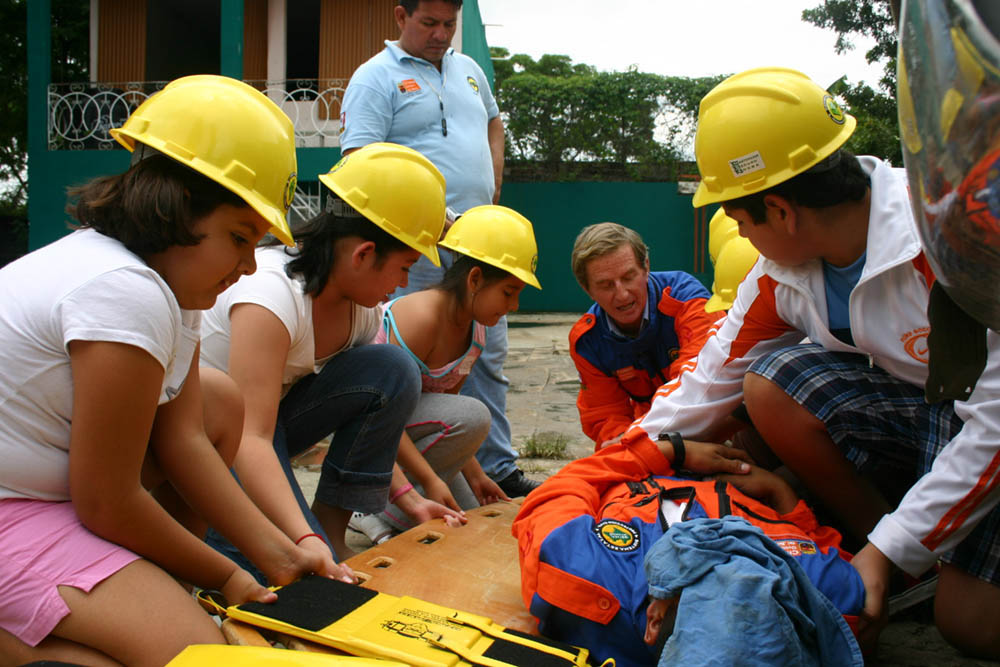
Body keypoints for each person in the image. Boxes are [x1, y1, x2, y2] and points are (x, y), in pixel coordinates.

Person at [621, 66, 1000, 657]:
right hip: (929, 411)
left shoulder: (953, 239)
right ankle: (899, 562)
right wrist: (623, 458)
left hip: (988, 421)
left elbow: (996, 425)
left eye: (741, 221)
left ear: (781, 210)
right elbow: (708, 382)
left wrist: (889, 547)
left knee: (971, 625)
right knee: (770, 384)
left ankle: (891, 555)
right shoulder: (785, 272)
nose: (743, 238)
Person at [0, 75, 326, 666]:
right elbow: (106, 499)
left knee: (217, 400)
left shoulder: (167, 287)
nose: (249, 267)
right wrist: (229, 577)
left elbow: (185, 438)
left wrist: (280, 554)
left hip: (46, 494)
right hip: (18, 509)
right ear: (174, 207)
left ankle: (141, 595)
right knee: (199, 660)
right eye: (238, 237)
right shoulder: (122, 289)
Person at [199, 142, 466, 574]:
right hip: (208, 441)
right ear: (364, 254)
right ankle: (306, 537)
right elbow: (250, 438)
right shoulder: (270, 296)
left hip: (266, 429)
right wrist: (302, 541)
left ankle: (330, 532)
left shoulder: (361, 309)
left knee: (392, 370)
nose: (401, 284)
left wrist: (411, 500)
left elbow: (376, 411)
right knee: (276, 569)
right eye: (404, 267)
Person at [339, 0, 536, 498]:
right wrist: (429, 220)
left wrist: (493, 182)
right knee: (411, 366)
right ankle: (381, 481)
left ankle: (497, 467)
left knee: (485, 356)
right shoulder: (374, 78)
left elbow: (494, 122)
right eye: (429, 23)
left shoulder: (468, 70)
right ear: (400, 16)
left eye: (449, 24)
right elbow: (360, 162)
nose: (441, 34)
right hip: (420, 246)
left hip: (482, 243)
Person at [512, 438, 864, 667]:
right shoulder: (827, 597)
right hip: (751, 477)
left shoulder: (577, 573)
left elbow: (567, 484)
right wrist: (780, 492)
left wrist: (672, 451)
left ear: (654, 621)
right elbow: (823, 547)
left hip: (640, 464)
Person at [354, 206, 542, 541]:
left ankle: (389, 505)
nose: (513, 305)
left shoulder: (475, 331)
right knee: (474, 415)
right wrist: (430, 482)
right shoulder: (421, 319)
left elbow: (448, 419)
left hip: (402, 435)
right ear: (474, 279)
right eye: (509, 292)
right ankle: (367, 504)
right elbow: (385, 418)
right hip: (368, 433)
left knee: (472, 522)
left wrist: (477, 476)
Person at [568, 223, 724, 450]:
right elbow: (604, 415)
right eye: (606, 285)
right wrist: (624, 441)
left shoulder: (687, 300)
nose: (622, 294)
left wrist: (644, 441)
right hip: (645, 438)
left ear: (646, 267)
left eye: (629, 277)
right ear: (587, 289)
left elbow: (699, 385)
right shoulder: (588, 342)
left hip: (710, 427)